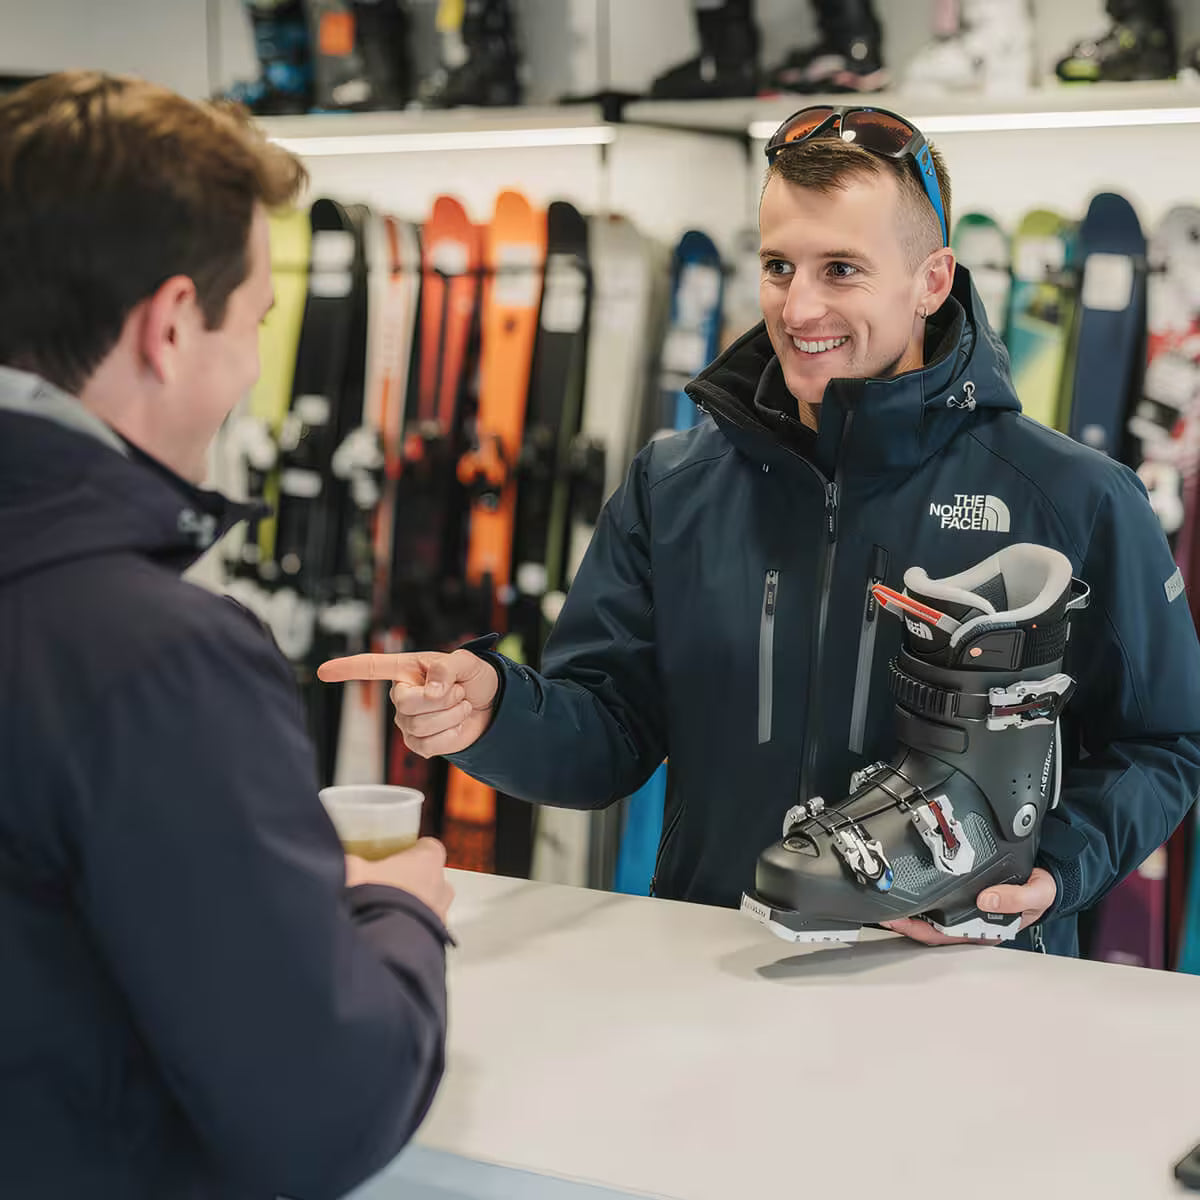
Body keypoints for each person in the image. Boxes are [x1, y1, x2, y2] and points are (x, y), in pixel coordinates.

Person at [321, 103, 1200, 958]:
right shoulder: (676, 485)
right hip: (723, 967)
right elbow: (609, 736)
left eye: (841, 270)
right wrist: (497, 712)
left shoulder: (1071, 496)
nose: (799, 307)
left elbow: (1167, 740)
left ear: (932, 280)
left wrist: (1054, 870)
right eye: (779, 266)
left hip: (965, 981)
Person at [0, 71, 454, 1199]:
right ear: (167, 327)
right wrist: (400, 912)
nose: (252, 366)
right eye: (253, 321)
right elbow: (325, 1106)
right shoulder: (152, 654)